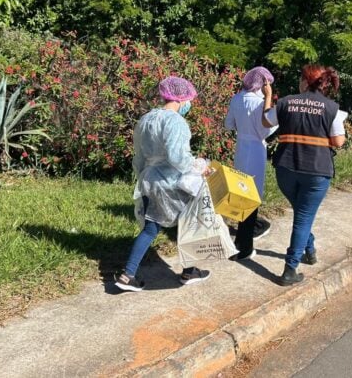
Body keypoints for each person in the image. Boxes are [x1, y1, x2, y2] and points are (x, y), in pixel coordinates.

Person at [115, 76, 212, 291]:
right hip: (171, 183)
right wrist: (199, 166)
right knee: (186, 224)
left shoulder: (147, 119)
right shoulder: (176, 122)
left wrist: (143, 176)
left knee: (150, 228)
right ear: (180, 99)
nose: (189, 105)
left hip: (148, 179)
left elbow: (138, 156)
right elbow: (178, 157)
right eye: (188, 101)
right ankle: (188, 272)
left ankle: (127, 274)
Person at [262, 64, 346, 286]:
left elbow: (265, 122)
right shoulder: (331, 108)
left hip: (286, 169)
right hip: (316, 172)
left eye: (300, 78)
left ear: (306, 82)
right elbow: (338, 141)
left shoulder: (286, 102)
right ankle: (290, 270)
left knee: (302, 215)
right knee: (303, 218)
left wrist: (268, 97)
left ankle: (309, 250)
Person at [225, 66, 278, 260]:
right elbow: (267, 130)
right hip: (256, 149)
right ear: (264, 84)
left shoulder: (236, 98)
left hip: (241, 148)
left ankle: (243, 236)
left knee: (241, 192)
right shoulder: (260, 104)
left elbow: (228, 124)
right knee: (253, 196)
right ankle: (245, 245)